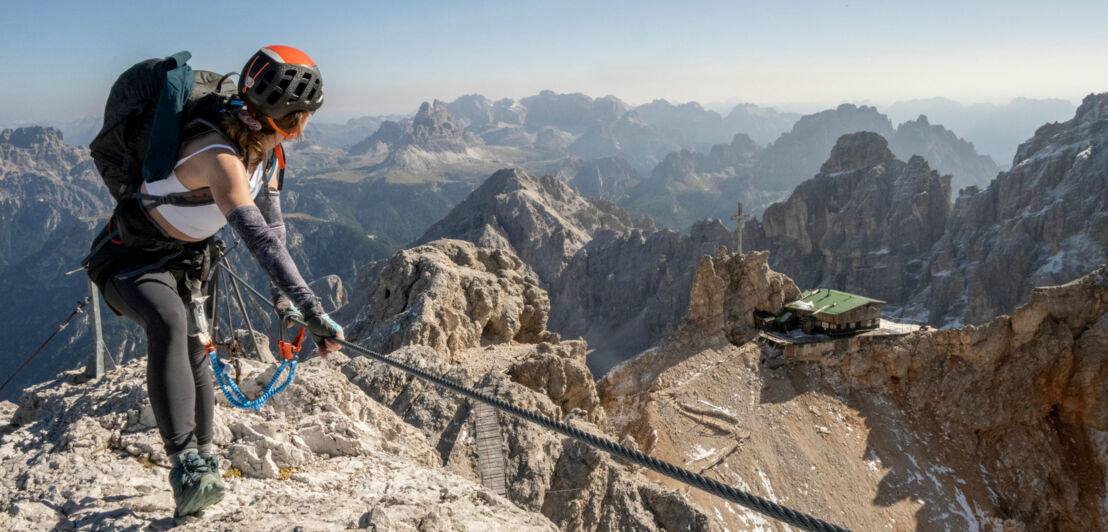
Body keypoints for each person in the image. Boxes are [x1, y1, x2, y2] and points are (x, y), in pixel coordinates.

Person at [85, 45, 343, 518]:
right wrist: (311, 307)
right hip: (132, 258)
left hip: (187, 259)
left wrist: (283, 304)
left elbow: (276, 227)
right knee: (169, 322)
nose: (302, 131)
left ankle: (206, 463)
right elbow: (259, 240)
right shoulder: (220, 158)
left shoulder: (269, 154)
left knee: (198, 348)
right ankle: (185, 468)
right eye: (297, 121)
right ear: (282, 118)